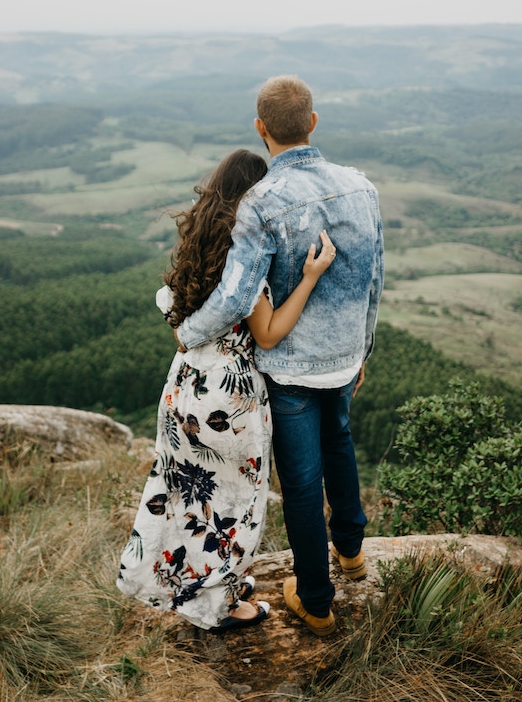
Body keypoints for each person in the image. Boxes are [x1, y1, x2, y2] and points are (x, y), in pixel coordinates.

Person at [175, 76, 384, 636]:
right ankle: (353, 554)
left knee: (300, 479)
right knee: (340, 443)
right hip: (343, 357)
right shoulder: (362, 188)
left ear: (260, 128)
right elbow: (373, 280)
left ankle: (315, 601)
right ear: (314, 122)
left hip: (290, 368)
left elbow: (238, 297)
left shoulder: (261, 202)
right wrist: (363, 346)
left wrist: (188, 331)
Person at [117, 148, 336, 633]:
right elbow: (269, 333)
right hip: (229, 400)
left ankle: (201, 585)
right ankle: (221, 606)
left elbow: (175, 317)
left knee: (187, 495)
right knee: (234, 502)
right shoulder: (244, 265)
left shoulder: (197, 249)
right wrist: (309, 278)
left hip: (183, 387)